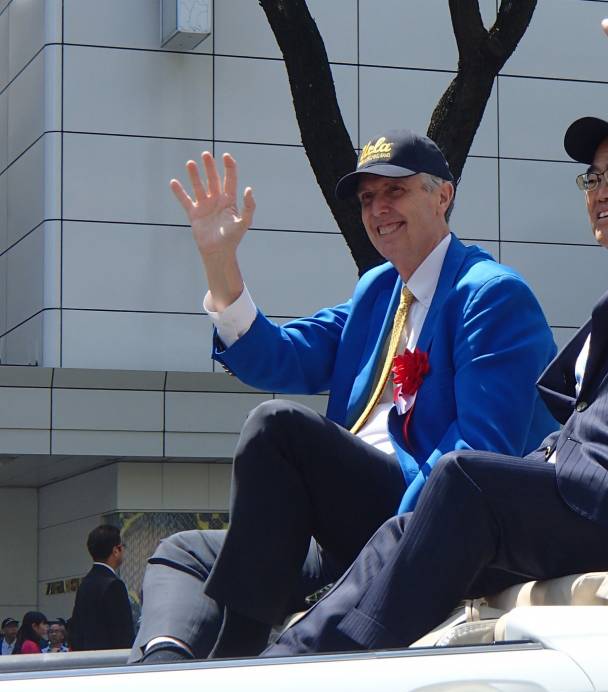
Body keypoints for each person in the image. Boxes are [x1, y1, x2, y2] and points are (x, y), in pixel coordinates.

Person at [261, 0, 608, 657]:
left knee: (464, 480)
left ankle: (340, 669)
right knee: (407, 528)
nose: (601, 189)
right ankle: (283, 660)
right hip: (602, 500)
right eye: (593, 176)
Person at [133, 131, 556, 663]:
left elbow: (474, 457)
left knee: (278, 428)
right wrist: (220, 261)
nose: (378, 209)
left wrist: (384, 552)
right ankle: (158, 679)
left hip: (424, 520)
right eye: (366, 199)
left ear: (442, 195)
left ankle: (236, 655)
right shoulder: (377, 290)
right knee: (181, 553)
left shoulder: (490, 293)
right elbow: (279, 357)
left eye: (393, 192)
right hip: (346, 527)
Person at [69, 525, 134, 650]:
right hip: (111, 661)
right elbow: (123, 634)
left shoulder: (85, 583)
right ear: (116, 550)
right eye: (123, 546)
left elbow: (76, 630)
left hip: (87, 660)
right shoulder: (114, 585)